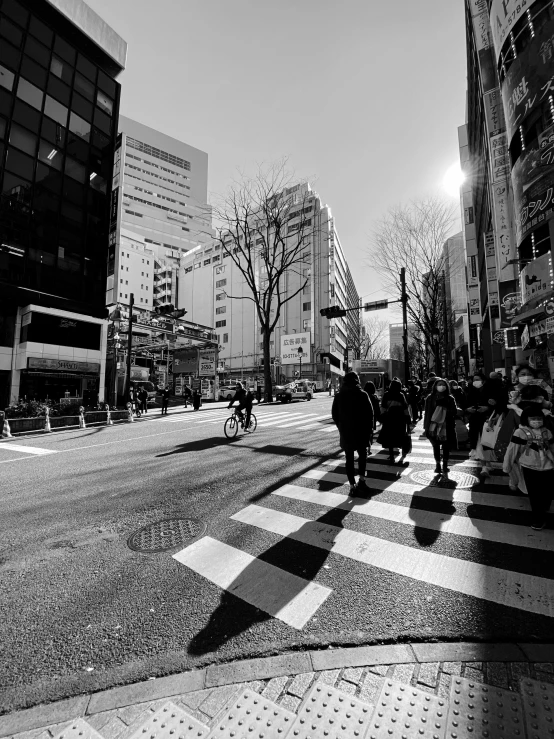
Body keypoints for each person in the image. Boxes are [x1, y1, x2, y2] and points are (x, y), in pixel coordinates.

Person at [503, 406, 554, 530]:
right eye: (533, 419)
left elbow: (553, 448)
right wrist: (507, 465)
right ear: (526, 419)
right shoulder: (520, 433)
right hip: (530, 468)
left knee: (548, 492)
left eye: (539, 418)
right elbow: (512, 450)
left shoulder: (547, 432)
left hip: (548, 467)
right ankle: (538, 519)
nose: (537, 421)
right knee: (535, 495)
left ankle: (543, 509)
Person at [332, 371, 374, 491]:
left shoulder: (339, 396)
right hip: (362, 431)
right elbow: (370, 414)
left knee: (349, 458)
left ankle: (352, 484)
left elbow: (334, 414)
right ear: (357, 381)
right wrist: (369, 430)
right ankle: (361, 480)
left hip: (346, 431)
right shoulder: (363, 394)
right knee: (362, 456)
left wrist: (340, 426)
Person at [424, 378, 459, 474]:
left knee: (446, 446)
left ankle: (445, 465)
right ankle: (438, 465)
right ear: (435, 386)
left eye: (443, 385)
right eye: (439, 384)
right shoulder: (430, 398)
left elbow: (454, 411)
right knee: (435, 446)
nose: (441, 386)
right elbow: (427, 413)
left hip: (447, 425)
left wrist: (444, 410)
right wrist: (426, 427)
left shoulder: (450, 398)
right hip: (433, 426)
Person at [378, 379, 412, 464]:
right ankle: (403, 453)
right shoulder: (401, 395)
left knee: (390, 438)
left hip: (389, 419)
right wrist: (408, 420)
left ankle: (392, 456)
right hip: (400, 419)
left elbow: (383, 407)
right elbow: (405, 408)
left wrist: (382, 417)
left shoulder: (386, 395)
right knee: (401, 436)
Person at [465, 372, 489, 452]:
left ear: (484, 381)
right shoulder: (470, 390)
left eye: (478, 380)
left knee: (485, 439)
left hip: (486, 418)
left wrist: (487, 408)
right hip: (474, 418)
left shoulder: (489, 390)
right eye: (474, 380)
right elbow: (465, 404)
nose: (475, 381)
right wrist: (468, 409)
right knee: (474, 437)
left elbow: (498, 404)